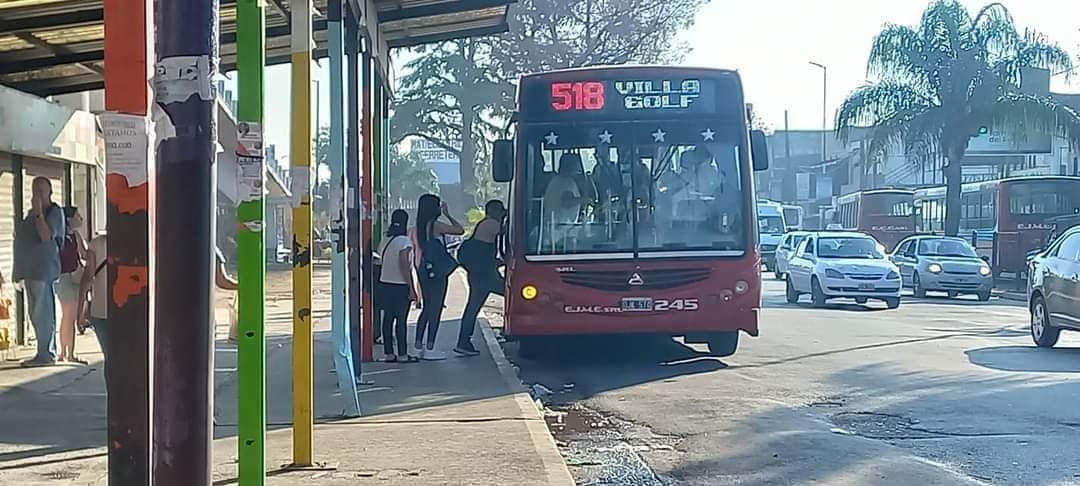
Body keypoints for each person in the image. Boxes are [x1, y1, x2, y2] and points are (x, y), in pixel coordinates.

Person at [12, 177, 65, 367]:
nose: (37, 195)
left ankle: (47, 353)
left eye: (41, 191)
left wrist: (39, 215)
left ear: (50, 193)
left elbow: (46, 236)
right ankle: (42, 351)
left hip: (44, 271)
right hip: (29, 271)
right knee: (35, 314)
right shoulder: (30, 215)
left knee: (43, 313)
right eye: (35, 191)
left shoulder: (53, 213)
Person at [412, 194, 464, 360]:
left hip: (423, 269)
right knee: (436, 308)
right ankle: (430, 347)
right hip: (437, 271)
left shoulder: (419, 226)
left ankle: (418, 345)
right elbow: (459, 230)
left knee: (427, 307)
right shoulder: (435, 225)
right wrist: (448, 214)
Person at [455, 200, 506, 357]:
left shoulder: (484, 225)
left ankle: (464, 341)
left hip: (481, 273)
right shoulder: (491, 224)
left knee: (473, 307)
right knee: (514, 292)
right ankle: (463, 341)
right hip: (484, 275)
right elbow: (511, 233)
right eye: (501, 211)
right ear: (494, 211)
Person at [378, 210, 420, 363]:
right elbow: (405, 266)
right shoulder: (404, 242)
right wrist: (412, 288)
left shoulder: (385, 239)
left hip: (385, 283)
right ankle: (403, 354)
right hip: (400, 285)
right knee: (401, 320)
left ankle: (389, 353)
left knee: (388, 319)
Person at [56, 207, 88, 364]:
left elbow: (83, 254)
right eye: (78, 216)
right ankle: (65, 353)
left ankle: (68, 353)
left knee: (69, 316)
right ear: (69, 219)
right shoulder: (62, 235)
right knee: (69, 315)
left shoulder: (74, 235)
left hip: (72, 276)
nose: (81, 218)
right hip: (65, 277)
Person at [77, 232, 109, 365]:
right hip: (131, 311)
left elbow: (88, 278)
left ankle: (112, 386)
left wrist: (80, 313)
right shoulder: (138, 242)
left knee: (110, 358)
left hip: (101, 310)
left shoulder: (96, 244)